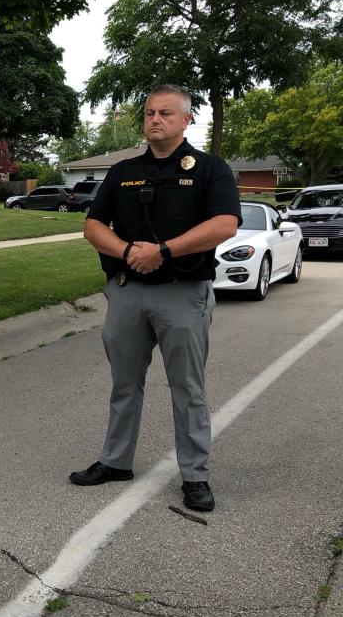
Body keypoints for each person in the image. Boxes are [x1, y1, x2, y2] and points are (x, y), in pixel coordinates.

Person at [69, 84, 239, 512]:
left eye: (166, 113)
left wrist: (162, 251)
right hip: (127, 293)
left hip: (183, 294)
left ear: (185, 120)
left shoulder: (209, 169)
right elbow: (93, 227)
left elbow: (224, 224)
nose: (155, 120)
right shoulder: (123, 170)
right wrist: (128, 252)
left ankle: (195, 475)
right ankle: (116, 461)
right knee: (124, 385)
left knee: (187, 388)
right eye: (148, 113)